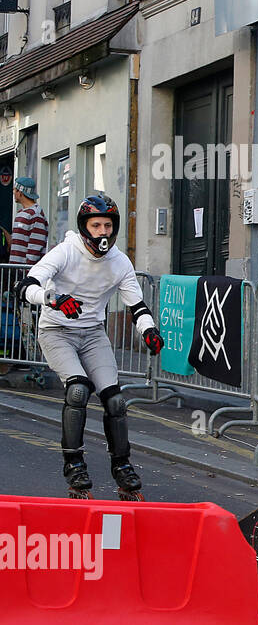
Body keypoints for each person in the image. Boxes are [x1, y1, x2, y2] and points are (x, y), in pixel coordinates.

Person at [13, 195, 163, 496]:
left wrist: (149, 331)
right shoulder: (66, 251)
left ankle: (122, 466)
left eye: (108, 225)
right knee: (79, 389)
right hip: (57, 331)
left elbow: (137, 306)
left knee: (115, 400)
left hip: (93, 333)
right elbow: (25, 286)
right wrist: (53, 299)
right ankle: (74, 465)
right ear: (85, 228)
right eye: (96, 225)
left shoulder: (119, 261)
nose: (103, 232)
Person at [10, 176, 49, 265]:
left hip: (24, 271)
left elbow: (36, 246)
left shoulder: (35, 214)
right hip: (15, 269)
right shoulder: (21, 213)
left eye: (15, 190)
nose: (13, 193)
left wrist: (26, 269)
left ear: (20, 193)